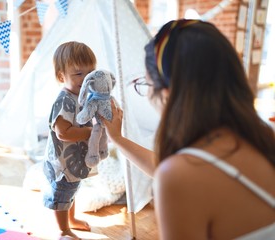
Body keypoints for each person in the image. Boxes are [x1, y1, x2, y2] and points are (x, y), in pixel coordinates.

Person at [103, 19, 275, 239]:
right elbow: (173, 170)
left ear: (167, 95)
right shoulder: (264, 138)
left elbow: (179, 175)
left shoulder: (181, 177)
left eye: (145, 84)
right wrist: (117, 139)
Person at [42, 41, 96, 240]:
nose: (85, 79)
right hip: (62, 162)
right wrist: (90, 132)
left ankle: (71, 220)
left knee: (73, 190)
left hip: (75, 159)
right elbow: (63, 132)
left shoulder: (80, 96)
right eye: (78, 74)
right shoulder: (65, 99)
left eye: (90, 74)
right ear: (61, 76)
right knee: (63, 195)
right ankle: (63, 229)